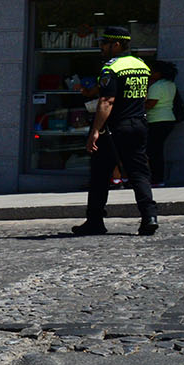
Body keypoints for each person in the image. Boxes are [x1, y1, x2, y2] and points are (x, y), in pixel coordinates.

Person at [72, 25, 158, 236]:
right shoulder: (141, 65)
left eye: (105, 43)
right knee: (139, 173)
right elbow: (143, 97)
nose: (101, 47)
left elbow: (107, 101)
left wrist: (95, 130)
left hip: (115, 128)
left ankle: (95, 221)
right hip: (138, 124)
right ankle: (150, 216)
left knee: (100, 174)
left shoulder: (112, 68)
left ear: (117, 44)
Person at [145, 59, 180, 186]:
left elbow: (151, 104)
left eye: (152, 71)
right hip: (168, 119)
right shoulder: (171, 84)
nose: (150, 73)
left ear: (159, 73)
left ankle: (156, 179)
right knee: (157, 150)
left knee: (153, 151)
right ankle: (158, 179)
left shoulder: (156, 86)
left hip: (157, 120)